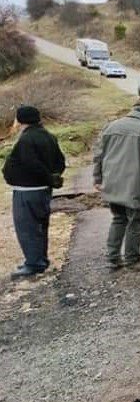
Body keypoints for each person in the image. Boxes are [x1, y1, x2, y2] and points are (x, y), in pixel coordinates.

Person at [93, 96, 140, 269]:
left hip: (112, 183)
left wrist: (97, 178)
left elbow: (98, 155)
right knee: (136, 221)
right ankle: (132, 259)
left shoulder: (111, 126)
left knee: (118, 219)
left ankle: (113, 257)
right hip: (136, 185)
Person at [2, 106, 66, 279]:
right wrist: (53, 177)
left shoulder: (26, 139)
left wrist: (47, 178)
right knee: (40, 226)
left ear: (21, 120)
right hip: (43, 191)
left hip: (28, 191)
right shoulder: (48, 136)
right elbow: (61, 161)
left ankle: (33, 264)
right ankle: (40, 259)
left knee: (27, 228)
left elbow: (32, 164)